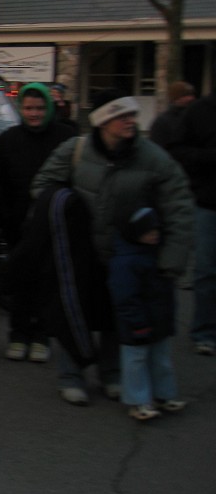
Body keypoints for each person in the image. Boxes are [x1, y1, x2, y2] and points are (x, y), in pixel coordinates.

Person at [32, 89, 194, 405]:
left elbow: (179, 206)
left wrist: (172, 259)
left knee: (114, 316)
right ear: (103, 121)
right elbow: (42, 186)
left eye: (131, 114)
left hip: (127, 256)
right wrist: (65, 208)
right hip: (81, 252)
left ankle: (111, 374)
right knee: (74, 313)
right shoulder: (76, 150)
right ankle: (71, 375)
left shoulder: (153, 158)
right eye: (121, 116)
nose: (129, 121)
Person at [0, 82, 76, 362]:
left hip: (53, 222)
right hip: (17, 224)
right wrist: (3, 219)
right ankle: (18, 335)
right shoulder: (8, 139)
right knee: (20, 281)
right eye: (29, 108)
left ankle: (42, 336)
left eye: (40, 108)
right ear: (21, 109)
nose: (35, 113)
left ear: (49, 108)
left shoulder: (65, 137)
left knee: (46, 283)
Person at [110, 207, 187, 421]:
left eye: (155, 230)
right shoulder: (126, 262)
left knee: (160, 360)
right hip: (137, 324)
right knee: (136, 362)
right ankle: (138, 401)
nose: (154, 235)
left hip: (157, 320)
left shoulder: (153, 254)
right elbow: (125, 297)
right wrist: (136, 323)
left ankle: (164, 395)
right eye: (148, 231)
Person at [169, 83, 216, 356]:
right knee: (207, 271)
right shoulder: (199, 111)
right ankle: (204, 331)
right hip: (208, 202)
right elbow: (178, 151)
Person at [150, 80, 195, 150]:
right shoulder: (162, 122)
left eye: (191, 95)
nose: (190, 98)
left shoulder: (194, 117)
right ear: (176, 98)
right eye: (185, 95)